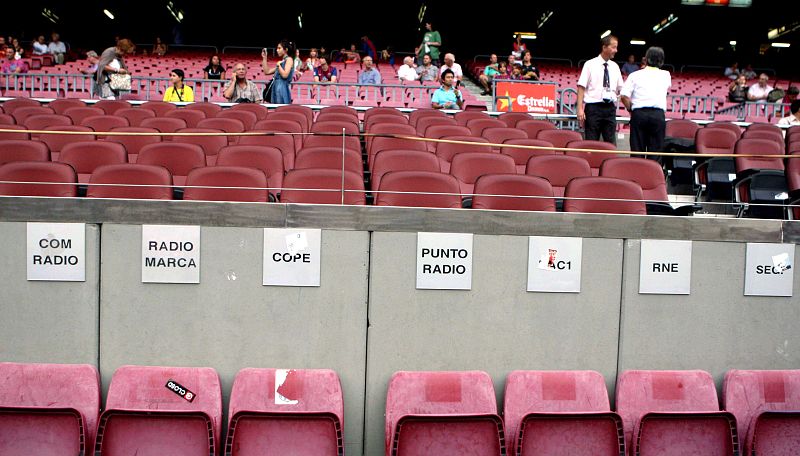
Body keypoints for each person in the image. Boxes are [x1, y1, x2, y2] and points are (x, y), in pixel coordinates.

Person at [620, 46, 671, 156]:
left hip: (639, 114)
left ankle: (636, 173)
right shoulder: (666, 75)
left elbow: (623, 96)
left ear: (646, 59)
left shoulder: (634, 75)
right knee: (656, 153)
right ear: (661, 61)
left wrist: (630, 109)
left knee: (637, 151)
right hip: (658, 115)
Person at [576, 35, 624, 145]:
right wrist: (579, 108)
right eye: (613, 47)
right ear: (604, 47)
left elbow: (621, 88)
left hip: (610, 108)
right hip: (593, 108)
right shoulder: (590, 64)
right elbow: (581, 87)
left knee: (610, 143)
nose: (616, 51)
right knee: (591, 142)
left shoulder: (615, 67)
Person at [261, 39, 294, 104]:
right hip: (275, 88)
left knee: (281, 110)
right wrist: (264, 58)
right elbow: (267, 71)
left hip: (282, 89)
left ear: (286, 49)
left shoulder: (289, 59)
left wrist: (278, 65)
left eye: (279, 48)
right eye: (277, 48)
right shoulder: (282, 62)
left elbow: (285, 75)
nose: (277, 50)